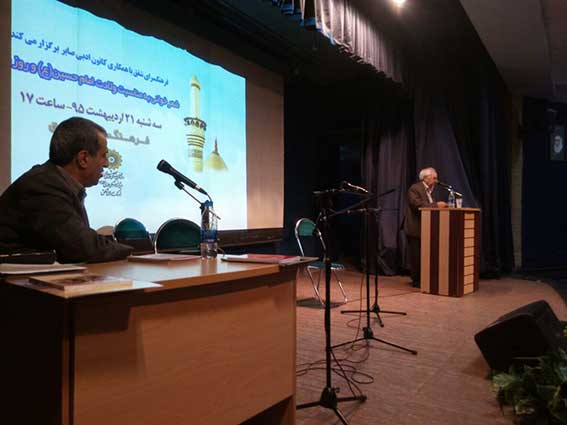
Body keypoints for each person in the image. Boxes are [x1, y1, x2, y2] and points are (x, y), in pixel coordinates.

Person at [0, 117, 133, 263]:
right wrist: (135, 250)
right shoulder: (43, 186)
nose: (107, 164)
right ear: (83, 158)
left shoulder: (57, 182)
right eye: (103, 156)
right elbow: (81, 248)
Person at [402, 167, 447, 287]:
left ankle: (426, 279)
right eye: (434, 178)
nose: (436, 181)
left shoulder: (431, 191)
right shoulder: (415, 188)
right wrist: (436, 205)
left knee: (426, 256)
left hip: (427, 228)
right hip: (415, 228)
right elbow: (417, 205)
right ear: (425, 178)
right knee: (416, 256)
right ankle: (417, 281)